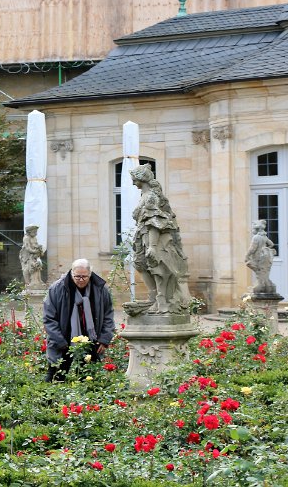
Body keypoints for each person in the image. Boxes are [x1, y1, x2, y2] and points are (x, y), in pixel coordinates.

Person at [129, 163, 190, 314]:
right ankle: (154, 297)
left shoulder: (150, 197)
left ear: (141, 179)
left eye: (134, 179)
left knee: (156, 267)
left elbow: (154, 222)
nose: (133, 183)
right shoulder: (144, 195)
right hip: (143, 236)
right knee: (141, 264)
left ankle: (161, 300)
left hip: (152, 237)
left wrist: (152, 246)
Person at [43, 258, 115, 382]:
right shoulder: (57, 289)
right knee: (55, 378)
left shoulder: (100, 289)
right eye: (77, 277)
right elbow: (49, 318)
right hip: (62, 341)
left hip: (91, 342)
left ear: (90, 274)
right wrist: (60, 341)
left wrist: (104, 339)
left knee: (88, 380)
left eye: (84, 277)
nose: (81, 280)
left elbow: (108, 315)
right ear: (71, 273)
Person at [245, 219, 277, 293]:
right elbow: (271, 244)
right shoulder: (264, 237)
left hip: (258, 256)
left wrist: (247, 256)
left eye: (253, 228)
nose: (252, 230)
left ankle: (260, 285)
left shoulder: (256, 237)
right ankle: (267, 284)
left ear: (256, 229)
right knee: (264, 271)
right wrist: (266, 249)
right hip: (265, 256)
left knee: (258, 271)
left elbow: (252, 249)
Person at [19, 224, 45, 288]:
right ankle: (28, 283)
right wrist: (35, 251)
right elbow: (28, 248)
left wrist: (39, 248)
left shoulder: (34, 238)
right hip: (26, 256)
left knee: (37, 266)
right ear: (29, 232)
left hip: (34, 255)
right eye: (34, 232)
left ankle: (37, 281)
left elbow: (35, 245)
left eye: (36, 232)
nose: (36, 233)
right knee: (27, 269)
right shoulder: (26, 238)